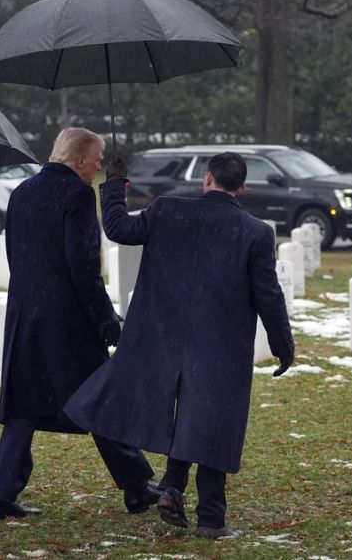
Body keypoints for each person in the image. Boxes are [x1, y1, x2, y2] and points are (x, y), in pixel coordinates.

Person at [65, 152, 295, 539]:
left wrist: (116, 182)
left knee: (191, 418)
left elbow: (119, 228)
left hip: (163, 336)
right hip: (221, 344)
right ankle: (211, 519)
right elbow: (267, 295)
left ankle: (172, 487)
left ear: (207, 179)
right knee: (213, 424)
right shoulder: (255, 232)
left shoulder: (167, 210)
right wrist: (282, 343)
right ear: (241, 188)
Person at [0, 127, 160, 520]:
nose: (98, 167)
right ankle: (136, 487)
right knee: (101, 396)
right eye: (97, 160)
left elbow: (17, 254)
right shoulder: (77, 195)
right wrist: (105, 319)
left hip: (26, 313)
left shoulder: (22, 191)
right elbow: (83, 266)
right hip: (67, 321)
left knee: (23, 408)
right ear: (79, 160)